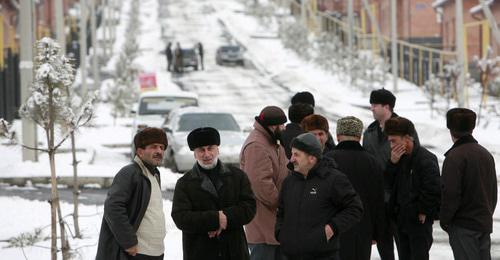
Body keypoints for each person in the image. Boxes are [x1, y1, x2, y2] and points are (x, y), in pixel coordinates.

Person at [171, 127, 256, 260]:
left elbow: (249, 208)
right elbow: (180, 217)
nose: (206, 154)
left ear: (218, 149)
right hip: (200, 252)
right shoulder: (185, 183)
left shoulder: (237, 176)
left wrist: (225, 218)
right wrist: (214, 219)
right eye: (201, 150)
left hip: (234, 251)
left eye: (210, 148)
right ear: (194, 153)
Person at [275, 133, 363, 260]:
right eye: (292, 154)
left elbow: (355, 208)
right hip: (289, 255)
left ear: (311, 158)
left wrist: (331, 228)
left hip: (323, 255)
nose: (291, 159)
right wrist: (280, 233)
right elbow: (281, 211)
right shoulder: (289, 181)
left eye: (297, 155)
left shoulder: (334, 179)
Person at [362, 88, 419, 260]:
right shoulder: (370, 132)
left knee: (404, 246)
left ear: (387, 107)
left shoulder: (405, 127)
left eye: (375, 105)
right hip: (379, 198)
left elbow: (415, 157)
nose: (371, 108)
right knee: (384, 246)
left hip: (400, 197)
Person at [96, 127, 168, 260]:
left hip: (154, 252)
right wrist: (128, 242)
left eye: (162, 147)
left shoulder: (155, 173)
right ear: (140, 151)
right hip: (135, 253)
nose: (159, 151)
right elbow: (113, 207)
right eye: (153, 147)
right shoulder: (130, 173)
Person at [325, 116, 385, 260]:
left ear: (338, 136)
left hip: (333, 228)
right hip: (363, 229)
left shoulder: (327, 160)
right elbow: (378, 200)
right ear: (359, 136)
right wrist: (376, 232)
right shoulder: (373, 162)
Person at [440, 108, 497, 260]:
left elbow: (450, 194)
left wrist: (445, 220)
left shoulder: (454, 157)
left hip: (463, 225)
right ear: (472, 128)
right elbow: (493, 192)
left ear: (450, 129)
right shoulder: (486, 155)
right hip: (483, 223)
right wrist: (486, 214)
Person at [384, 117, 440, 260]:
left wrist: (423, 210)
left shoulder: (425, 159)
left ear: (407, 138)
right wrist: (392, 163)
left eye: (394, 141)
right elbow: (387, 184)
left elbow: (432, 188)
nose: (391, 145)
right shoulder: (398, 158)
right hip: (401, 220)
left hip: (418, 222)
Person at [240, 106, 289, 260]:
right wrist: (283, 204)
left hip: (274, 225)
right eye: (281, 125)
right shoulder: (257, 145)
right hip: (263, 228)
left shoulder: (272, 141)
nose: (284, 128)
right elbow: (260, 183)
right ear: (273, 126)